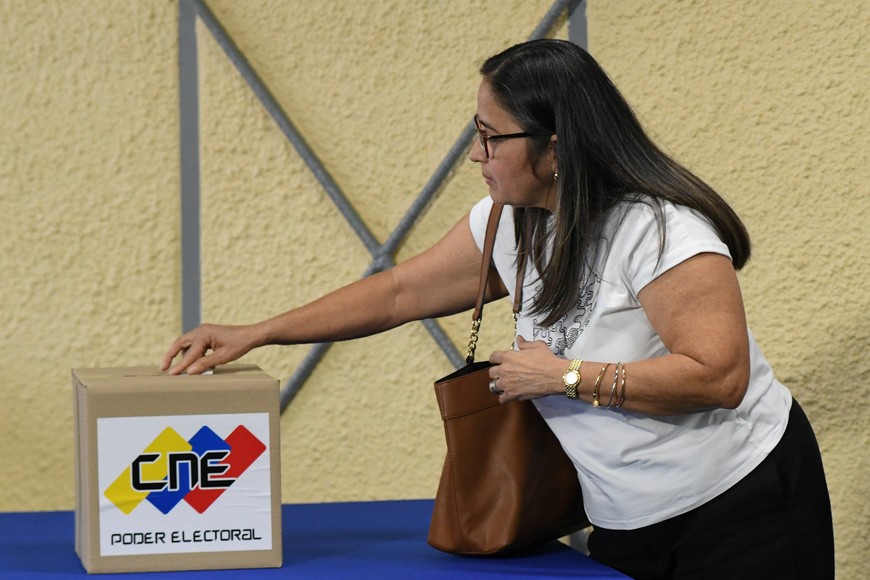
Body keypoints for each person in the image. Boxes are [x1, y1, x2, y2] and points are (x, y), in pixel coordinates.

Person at [162, 39, 834, 579]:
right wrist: (259, 333)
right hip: (626, 520)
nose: (477, 156)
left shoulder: (660, 232)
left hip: (744, 507)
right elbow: (399, 291)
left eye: (491, 138)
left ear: (556, 150)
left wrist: (565, 377)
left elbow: (720, 378)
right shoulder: (513, 222)